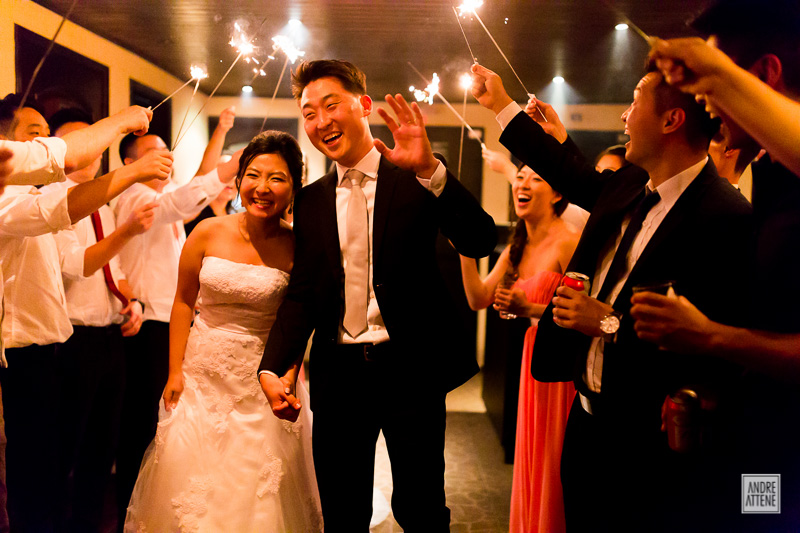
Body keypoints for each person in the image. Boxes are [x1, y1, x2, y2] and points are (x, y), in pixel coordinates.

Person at [472, 60, 752, 531]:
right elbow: (566, 167)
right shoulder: (626, 185)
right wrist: (500, 104)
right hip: (583, 423)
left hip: (646, 443)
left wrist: (607, 322)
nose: (624, 116)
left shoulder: (724, 216)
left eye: (634, 101)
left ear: (671, 120)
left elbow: (710, 351)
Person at [257, 59, 496, 531]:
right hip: (338, 375)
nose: (320, 121)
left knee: (422, 507)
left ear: (364, 105)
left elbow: (480, 240)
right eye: (308, 112)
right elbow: (303, 291)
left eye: (331, 105)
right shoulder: (311, 200)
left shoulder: (415, 177)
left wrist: (430, 167)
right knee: (342, 512)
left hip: (410, 369)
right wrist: (271, 364)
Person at [632, 1, 800, 527]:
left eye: (712, 93)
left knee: (768, 521)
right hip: (760, 443)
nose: (707, 107)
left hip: (788, 464)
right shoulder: (774, 178)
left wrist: (710, 337)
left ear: (766, 75)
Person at [124, 131, 322, 531]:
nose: (262, 188)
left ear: (294, 187)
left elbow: (299, 318)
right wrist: (175, 371)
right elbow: (183, 301)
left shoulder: (300, 246)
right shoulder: (208, 231)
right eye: (253, 174)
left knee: (257, 491)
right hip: (201, 378)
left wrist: (289, 372)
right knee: (191, 485)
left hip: (263, 383)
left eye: (277, 178)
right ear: (238, 180)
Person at [0, 105, 161, 532]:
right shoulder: (12, 198)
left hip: (59, 347)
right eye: (37, 135)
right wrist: (129, 163)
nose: (47, 144)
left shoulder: (50, 199)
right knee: (38, 476)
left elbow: (90, 263)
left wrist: (132, 301)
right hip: (31, 354)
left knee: (75, 460)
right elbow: (75, 255)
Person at [112, 132, 242, 528]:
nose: (164, 157)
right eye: (153, 153)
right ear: (131, 163)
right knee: (141, 428)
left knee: (160, 425)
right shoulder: (136, 197)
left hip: (165, 327)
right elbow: (179, 201)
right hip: (146, 329)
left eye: (166, 151)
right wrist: (226, 170)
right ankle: (131, 513)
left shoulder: (160, 204)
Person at [460, 163, 578, 533]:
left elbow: (583, 313)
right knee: (533, 457)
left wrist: (530, 309)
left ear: (558, 194)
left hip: (562, 365)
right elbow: (479, 297)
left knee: (556, 461)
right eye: (520, 177)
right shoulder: (516, 246)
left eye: (536, 178)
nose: (523, 185)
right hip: (532, 360)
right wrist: (465, 251)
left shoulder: (569, 241)